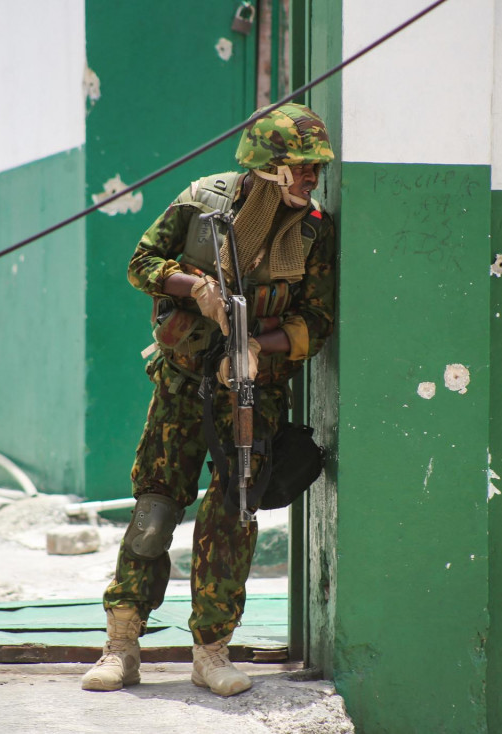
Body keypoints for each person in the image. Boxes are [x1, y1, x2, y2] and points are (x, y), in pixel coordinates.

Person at [81, 103, 337, 697]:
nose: (310, 179)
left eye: (314, 169)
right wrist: (194, 286)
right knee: (153, 515)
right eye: (301, 167)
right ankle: (121, 644)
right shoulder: (203, 203)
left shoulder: (314, 230)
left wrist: (258, 349)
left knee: (231, 520)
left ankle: (211, 651)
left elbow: (316, 322)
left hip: (251, 393)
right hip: (178, 383)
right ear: (270, 168)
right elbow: (140, 263)